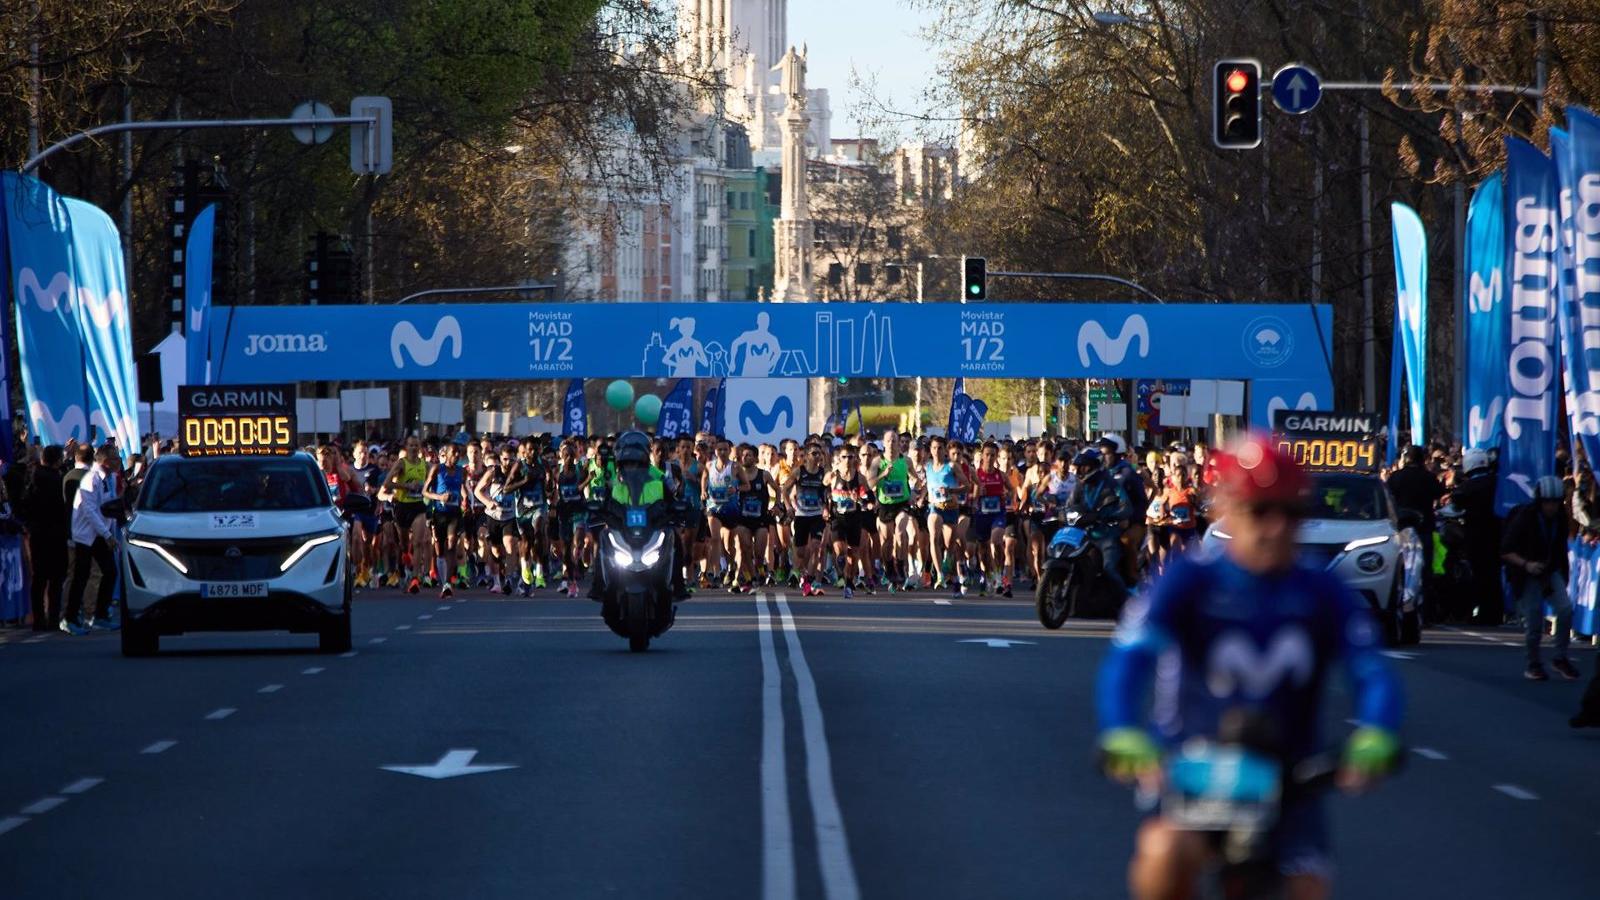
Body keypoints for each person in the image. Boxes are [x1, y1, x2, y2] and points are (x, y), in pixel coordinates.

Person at [1096, 434, 1404, 900]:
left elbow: (1372, 672)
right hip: (1194, 765)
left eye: (1291, 513)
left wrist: (1376, 731)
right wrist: (1122, 730)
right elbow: (1130, 658)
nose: (1277, 527)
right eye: (1261, 511)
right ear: (1228, 510)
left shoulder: (1321, 592)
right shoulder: (1189, 581)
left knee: (1307, 887)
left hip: (1291, 775)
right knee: (1162, 855)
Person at [1500, 474, 1579, 681]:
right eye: (1547, 503)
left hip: (1550, 570)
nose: (1551, 507)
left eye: (1555, 502)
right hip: (1525, 572)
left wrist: (1564, 574)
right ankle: (1533, 662)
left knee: (1565, 609)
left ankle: (1560, 657)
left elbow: (1560, 548)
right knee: (1534, 619)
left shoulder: (1560, 518)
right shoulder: (1525, 518)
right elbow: (1506, 550)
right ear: (1539, 501)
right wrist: (1527, 564)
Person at [64, 445, 121, 634]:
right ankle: (69, 618)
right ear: (105, 462)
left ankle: (100, 615)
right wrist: (107, 535)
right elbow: (89, 510)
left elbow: (108, 507)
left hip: (99, 532)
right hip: (85, 534)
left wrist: (110, 531)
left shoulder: (109, 478)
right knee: (81, 575)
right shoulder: (91, 479)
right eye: (114, 458)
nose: (118, 461)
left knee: (110, 572)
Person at [21, 445, 68, 631]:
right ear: (57, 460)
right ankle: (53, 617)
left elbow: (25, 505)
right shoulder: (57, 480)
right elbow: (62, 509)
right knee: (55, 578)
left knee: (39, 578)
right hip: (55, 534)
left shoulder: (32, 477)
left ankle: (39, 619)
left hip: (38, 533)